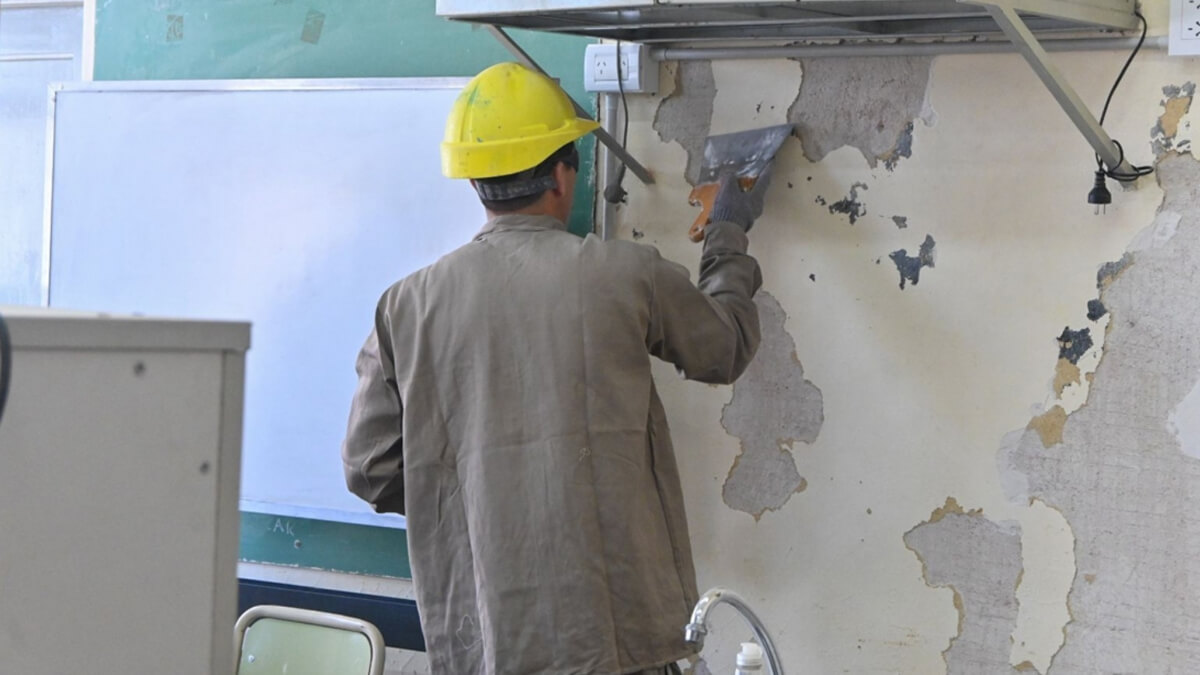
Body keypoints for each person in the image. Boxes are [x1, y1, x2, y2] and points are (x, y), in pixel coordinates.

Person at [342, 62, 774, 675]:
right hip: (617, 637)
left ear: (473, 182)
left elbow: (370, 469)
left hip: (487, 638)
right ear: (562, 174)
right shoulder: (626, 274)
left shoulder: (405, 306)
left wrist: (485, 496)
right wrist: (728, 232)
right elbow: (723, 347)